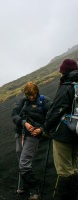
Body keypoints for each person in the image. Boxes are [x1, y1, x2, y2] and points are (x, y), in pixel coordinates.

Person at [43, 59, 78, 200]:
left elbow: (55, 110)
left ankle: (66, 196)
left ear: (64, 72)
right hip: (77, 133)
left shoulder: (66, 87)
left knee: (64, 170)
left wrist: (46, 128)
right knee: (75, 166)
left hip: (64, 134)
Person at [11, 82, 51, 200]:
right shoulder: (22, 101)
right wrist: (24, 123)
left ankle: (34, 191)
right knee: (21, 159)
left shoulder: (44, 101)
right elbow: (13, 115)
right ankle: (24, 184)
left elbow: (51, 117)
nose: (31, 97)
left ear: (37, 91)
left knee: (24, 162)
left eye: (33, 95)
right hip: (20, 133)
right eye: (29, 95)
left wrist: (41, 130)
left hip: (33, 135)